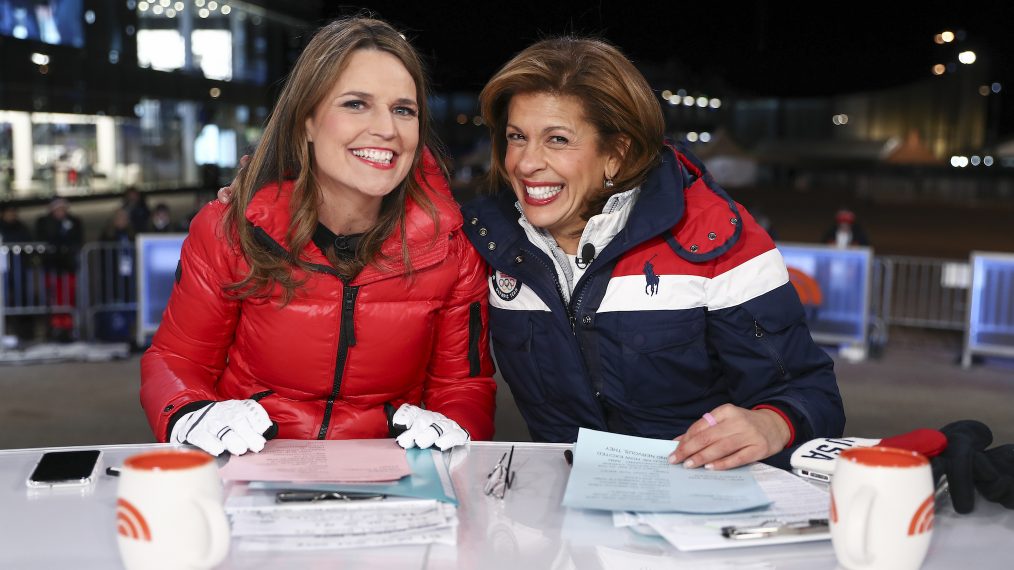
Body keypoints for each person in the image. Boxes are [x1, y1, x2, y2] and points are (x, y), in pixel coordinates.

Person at [460, 37, 844, 471]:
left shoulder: (715, 236)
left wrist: (773, 423)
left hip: (694, 512)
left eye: (557, 139)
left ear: (615, 155)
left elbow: (813, 395)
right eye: (517, 137)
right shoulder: (484, 240)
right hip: (564, 514)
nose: (527, 163)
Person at [141, 17, 496, 457]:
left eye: (404, 109)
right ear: (307, 120)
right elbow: (177, 360)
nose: (387, 128)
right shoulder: (229, 230)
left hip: (389, 484)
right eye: (356, 104)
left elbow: (462, 386)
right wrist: (191, 413)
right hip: (252, 470)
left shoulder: (453, 251)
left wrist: (455, 429)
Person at [34, 197, 83, 340]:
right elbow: (45, 240)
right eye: (57, 208)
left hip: (68, 267)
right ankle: (54, 327)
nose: (61, 211)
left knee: (69, 297)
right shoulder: (44, 222)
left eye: (63, 208)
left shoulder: (74, 222)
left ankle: (68, 327)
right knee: (54, 298)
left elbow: (77, 240)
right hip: (52, 267)